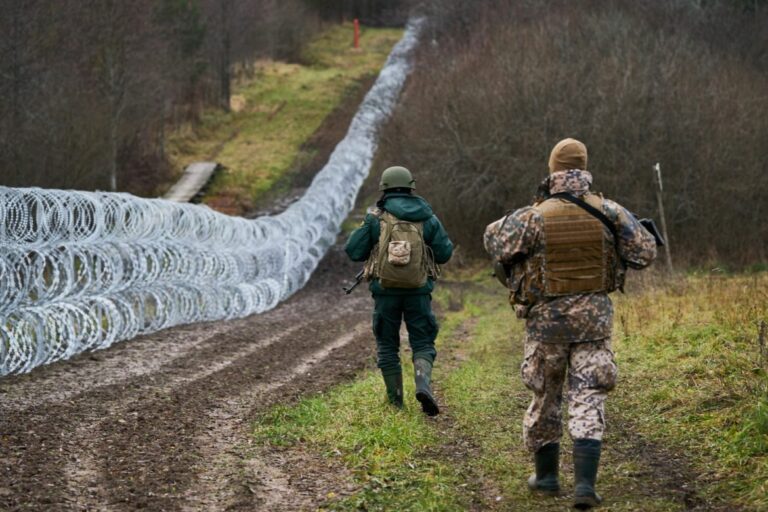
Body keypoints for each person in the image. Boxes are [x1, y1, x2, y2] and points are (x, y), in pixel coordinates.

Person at [483, 139, 657, 509]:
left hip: (547, 323)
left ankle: (546, 478)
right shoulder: (610, 211)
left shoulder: (534, 216)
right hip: (594, 322)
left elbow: (495, 243)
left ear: (553, 170)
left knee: (546, 395)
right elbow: (644, 253)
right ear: (584, 168)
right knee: (588, 395)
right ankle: (584, 486)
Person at [345, 166, 453, 416]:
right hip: (418, 292)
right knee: (423, 342)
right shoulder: (427, 216)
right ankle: (423, 384)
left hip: (385, 293)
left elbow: (353, 251)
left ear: (384, 188)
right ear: (411, 187)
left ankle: (395, 404)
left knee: (386, 344)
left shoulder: (376, 217)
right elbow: (445, 254)